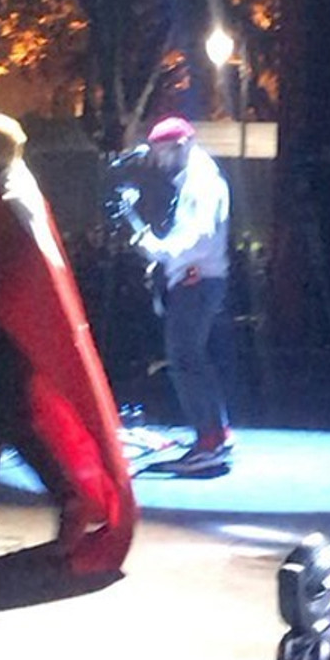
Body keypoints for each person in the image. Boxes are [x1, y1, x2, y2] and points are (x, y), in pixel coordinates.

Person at [0, 113, 137, 575]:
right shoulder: (7, 192)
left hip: (6, 330)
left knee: (7, 419)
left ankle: (64, 496)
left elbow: (13, 272)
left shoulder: (10, 198)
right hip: (2, 326)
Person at [127, 116, 233, 472]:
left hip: (195, 281)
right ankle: (216, 433)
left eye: (163, 152)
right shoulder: (199, 179)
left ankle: (209, 441)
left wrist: (157, 250)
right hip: (198, 280)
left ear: (183, 145)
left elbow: (197, 237)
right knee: (193, 359)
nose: (159, 160)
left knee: (184, 360)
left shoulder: (200, 184)